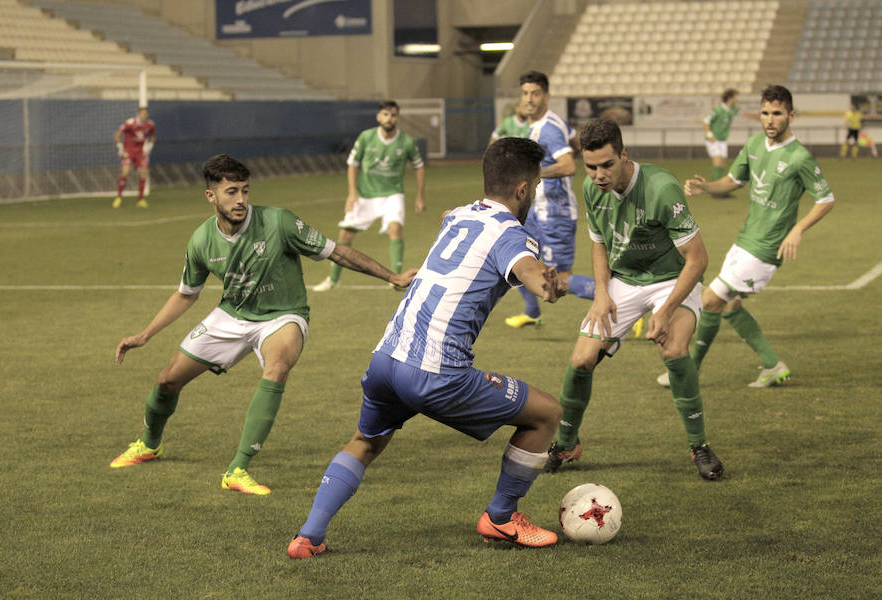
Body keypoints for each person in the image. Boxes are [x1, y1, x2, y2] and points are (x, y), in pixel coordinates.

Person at [287, 137, 568, 558]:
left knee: (366, 440)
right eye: (538, 184)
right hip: (436, 372)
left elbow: (451, 220)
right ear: (524, 189)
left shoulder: (458, 216)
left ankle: (308, 536)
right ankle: (501, 516)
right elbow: (530, 272)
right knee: (547, 415)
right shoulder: (512, 234)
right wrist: (548, 284)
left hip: (386, 359)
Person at [110, 154, 416, 495]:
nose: (240, 199)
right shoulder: (201, 241)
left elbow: (336, 252)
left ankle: (238, 469)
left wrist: (392, 276)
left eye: (245, 190)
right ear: (211, 196)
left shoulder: (279, 222)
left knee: (277, 366)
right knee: (167, 379)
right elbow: (186, 295)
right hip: (232, 314)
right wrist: (144, 335)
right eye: (231, 192)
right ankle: (150, 443)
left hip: (283, 314)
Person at [544, 117, 724, 481]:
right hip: (623, 280)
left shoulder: (661, 187)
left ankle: (699, 445)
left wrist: (666, 309)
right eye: (591, 166)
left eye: (607, 164)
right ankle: (565, 442)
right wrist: (600, 295)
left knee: (673, 349)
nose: (598, 174)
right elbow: (598, 243)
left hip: (672, 279)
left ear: (624, 155)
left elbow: (698, 259)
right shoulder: (591, 188)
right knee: (581, 360)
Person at [657, 85, 834, 390]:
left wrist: (797, 229)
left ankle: (689, 370)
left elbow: (826, 199)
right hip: (745, 240)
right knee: (729, 306)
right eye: (765, 113)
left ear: (791, 115)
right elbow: (733, 180)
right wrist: (707, 188)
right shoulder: (754, 144)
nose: (769, 119)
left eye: (777, 113)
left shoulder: (800, 157)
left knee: (711, 300)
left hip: (767, 247)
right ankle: (772, 365)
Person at [504, 70, 596, 329]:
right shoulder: (549, 122)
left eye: (535, 93)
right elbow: (577, 142)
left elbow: (568, 166)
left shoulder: (548, 129)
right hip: (537, 211)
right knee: (514, 259)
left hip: (556, 214)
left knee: (559, 278)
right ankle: (532, 313)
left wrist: (535, 173)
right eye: (525, 93)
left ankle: (619, 304)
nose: (529, 99)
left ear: (546, 95)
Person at [311, 100, 426, 291]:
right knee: (345, 234)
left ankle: (395, 279)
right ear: (379, 116)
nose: (390, 118)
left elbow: (419, 167)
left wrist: (420, 196)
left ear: (398, 118)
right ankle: (333, 279)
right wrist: (352, 193)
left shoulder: (406, 141)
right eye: (386, 114)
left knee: (395, 229)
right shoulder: (366, 137)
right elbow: (353, 164)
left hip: (392, 195)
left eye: (394, 115)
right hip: (365, 195)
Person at [113, 106, 156, 209]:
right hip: (128, 151)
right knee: (125, 171)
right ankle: (119, 197)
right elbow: (117, 134)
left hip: (140, 153)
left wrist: (149, 146)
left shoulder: (149, 125)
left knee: (144, 172)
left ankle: (140, 199)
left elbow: (153, 135)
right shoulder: (130, 123)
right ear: (139, 114)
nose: (145, 115)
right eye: (143, 113)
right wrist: (120, 148)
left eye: (146, 114)